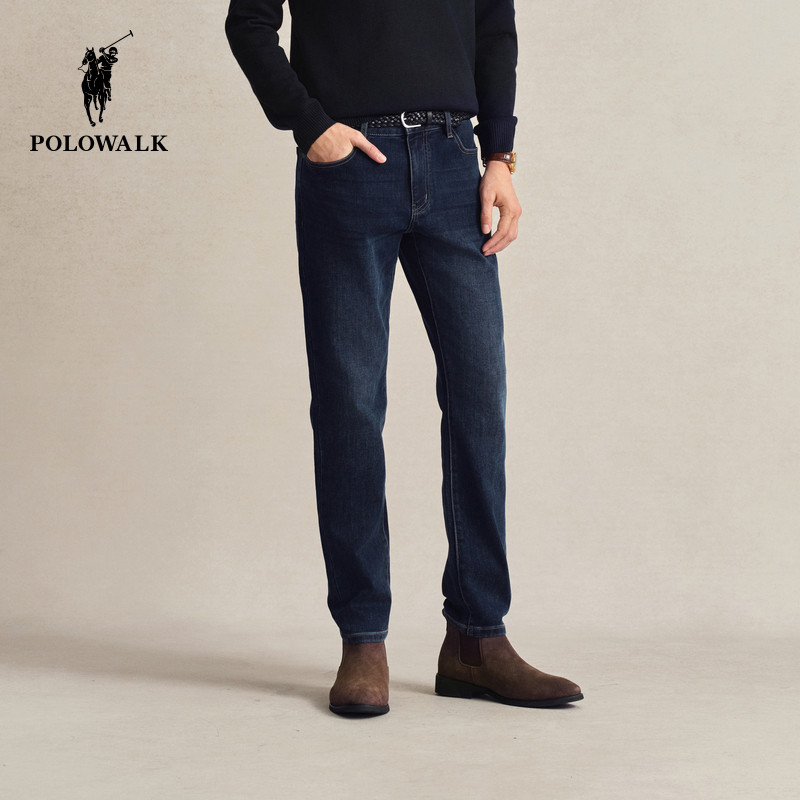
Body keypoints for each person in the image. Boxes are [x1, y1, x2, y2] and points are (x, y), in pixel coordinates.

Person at [225, 0, 583, 716]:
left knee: (480, 393)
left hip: (455, 163)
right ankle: (363, 638)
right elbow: (248, 22)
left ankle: (477, 638)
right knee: (351, 401)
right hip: (351, 163)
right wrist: (309, 124)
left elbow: (494, 28)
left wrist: (500, 156)